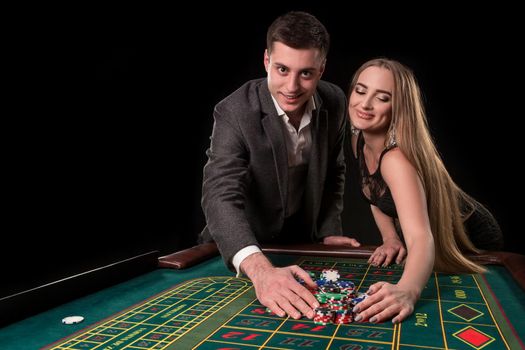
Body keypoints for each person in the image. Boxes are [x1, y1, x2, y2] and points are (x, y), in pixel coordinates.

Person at [199, 11, 360, 320]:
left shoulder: (335, 101)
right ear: (266, 61)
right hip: (245, 250)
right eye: (282, 69)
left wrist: (328, 232)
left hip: (302, 245)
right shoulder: (234, 111)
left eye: (306, 74)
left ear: (322, 69)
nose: (292, 86)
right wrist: (260, 271)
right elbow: (220, 195)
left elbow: (333, 172)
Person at [345, 58, 504, 324]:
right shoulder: (359, 138)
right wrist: (390, 238)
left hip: (471, 236)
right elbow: (373, 193)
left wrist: (408, 290)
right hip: (438, 234)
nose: (365, 104)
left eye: (382, 97)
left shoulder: (395, 160)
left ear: (398, 107)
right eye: (361, 91)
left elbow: (421, 238)